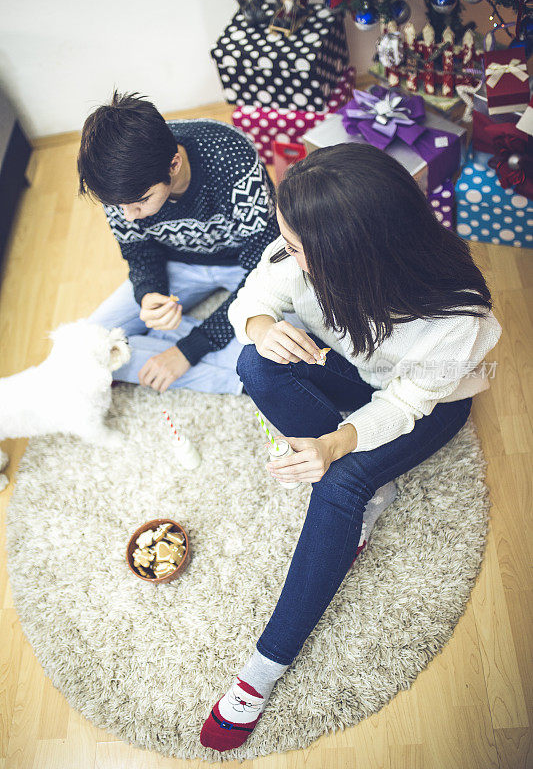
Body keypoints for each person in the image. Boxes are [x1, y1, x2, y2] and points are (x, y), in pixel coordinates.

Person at [199, 143, 502, 751]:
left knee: (340, 484)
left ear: (350, 254)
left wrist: (338, 445)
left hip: (426, 405)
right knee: (255, 365)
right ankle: (365, 478)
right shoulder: (298, 250)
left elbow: (403, 404)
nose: (288, 251)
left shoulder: (454, 317)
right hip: (359, 370)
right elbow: (255, 294)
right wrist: (261, 326)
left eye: (299, 246)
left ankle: (264, 671)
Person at [77, 91, 280, 395]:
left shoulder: (232, 158)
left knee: (281, 344)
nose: (129, 216)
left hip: (244, 265)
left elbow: (264, 268)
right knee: (86, 345)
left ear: (174, 165)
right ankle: (241, 373)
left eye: (141, 202)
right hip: (177, 266)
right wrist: (149, 293)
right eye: (120, 206)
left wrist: (189, 350)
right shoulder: (120, 186)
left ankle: (206, 362)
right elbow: (138, 250)